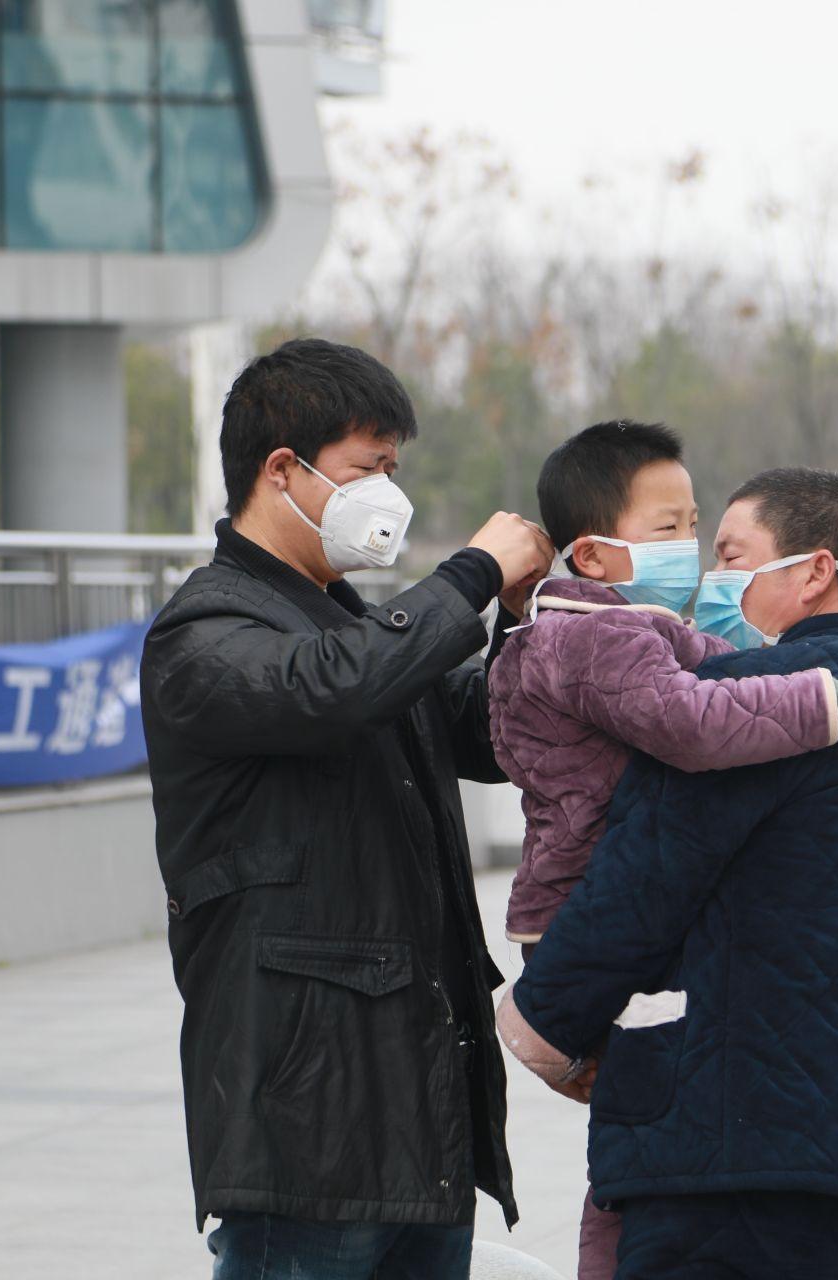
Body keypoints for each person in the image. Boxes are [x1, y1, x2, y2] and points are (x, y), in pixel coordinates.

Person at [139, 339, 555, 1280]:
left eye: (395, 470)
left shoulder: (357, 627)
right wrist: (469, 577)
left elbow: (492, 734)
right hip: (302, 1126)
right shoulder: (204, 631)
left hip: (417, 1120)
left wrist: (525, 622)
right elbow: (333, 689)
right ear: (282, 468)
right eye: (370, 469)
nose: (387, 494)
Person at [498, 467, 838, 1280]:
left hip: (741, 1162)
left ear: (814, 572)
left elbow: (639, 886)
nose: (708, 576)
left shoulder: (756, 705)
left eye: (729, 554)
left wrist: (544, 1024)